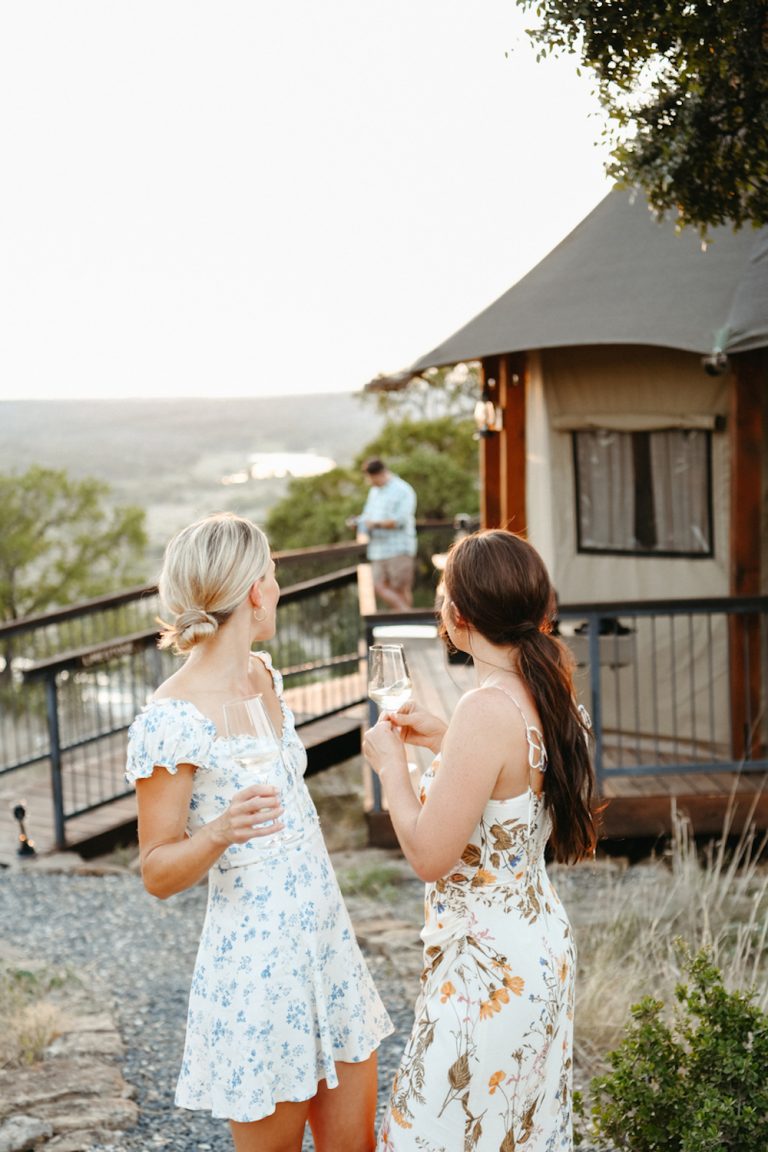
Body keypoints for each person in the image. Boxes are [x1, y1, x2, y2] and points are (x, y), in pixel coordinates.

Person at [125, 512, 393, 1152]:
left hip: (328, 943)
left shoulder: (265, 677)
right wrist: (219, 831)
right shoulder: (173, 718)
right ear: (253, 591)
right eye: (273, 576)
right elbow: (157, 873)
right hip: (258, 970)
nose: (276, 588)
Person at [362, 529, 597, 1151]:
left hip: (488, 966)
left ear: (458, 615)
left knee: (434, 1135)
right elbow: (514, 788)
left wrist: (392, 769)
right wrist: (445, 741)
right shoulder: (548, 691)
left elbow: (430, 856)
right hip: (539, 943)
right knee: (512, 1134)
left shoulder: (485, 708)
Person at [355, 457, 417, 611]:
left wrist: (375, 524)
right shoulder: (374, 492)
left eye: (370, 478)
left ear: (379, 474)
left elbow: (400, 520)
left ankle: (406, 620)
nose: (369, 481)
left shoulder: (403, 490)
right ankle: (407, 616)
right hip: (377, 550)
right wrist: (359, 522)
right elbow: (367, 515)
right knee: (378, 586)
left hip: (399, 548)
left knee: (400, 589)